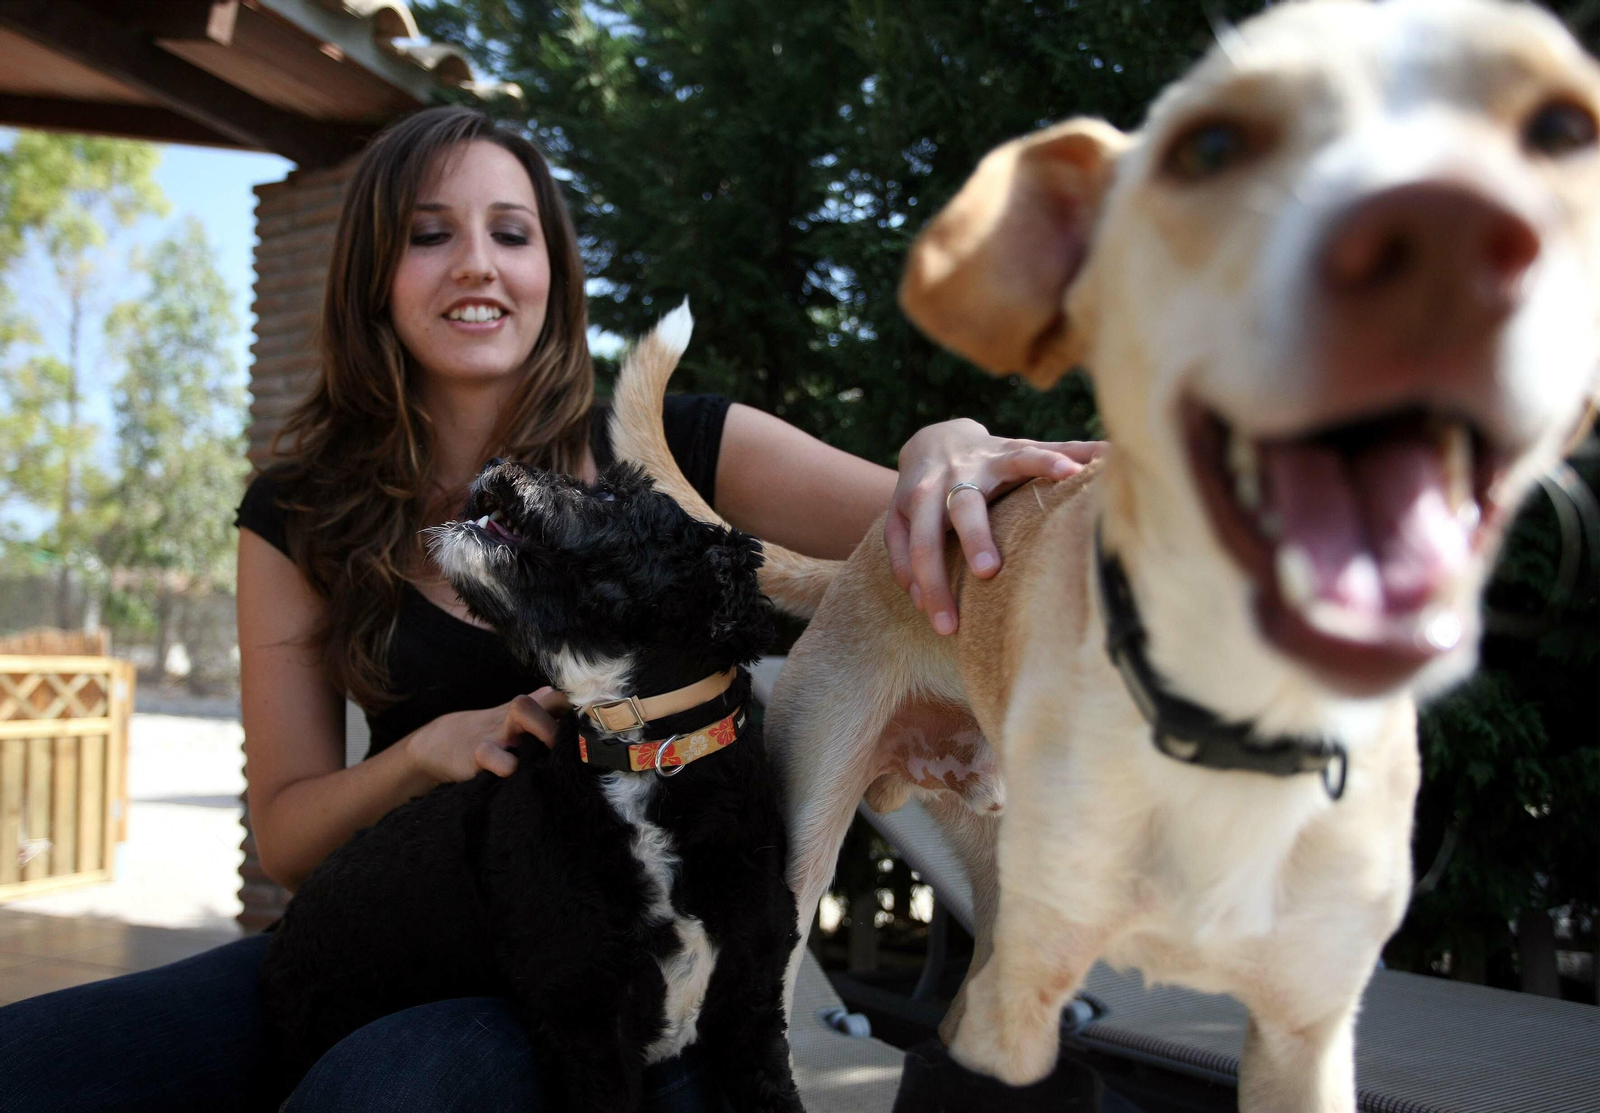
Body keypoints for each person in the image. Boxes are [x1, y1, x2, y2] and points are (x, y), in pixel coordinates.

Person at [0, 105, 1100, 1113]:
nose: (476, 263)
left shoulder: (682, 449)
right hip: (394, 927)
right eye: (430, 233)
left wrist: (946, 445)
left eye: (510, 233)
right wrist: (428, 752)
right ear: (374, 272)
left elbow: (921, 527)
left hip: (619, 981)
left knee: (384, 1094)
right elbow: (288, 835)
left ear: (552, 269)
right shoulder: (300, 513)